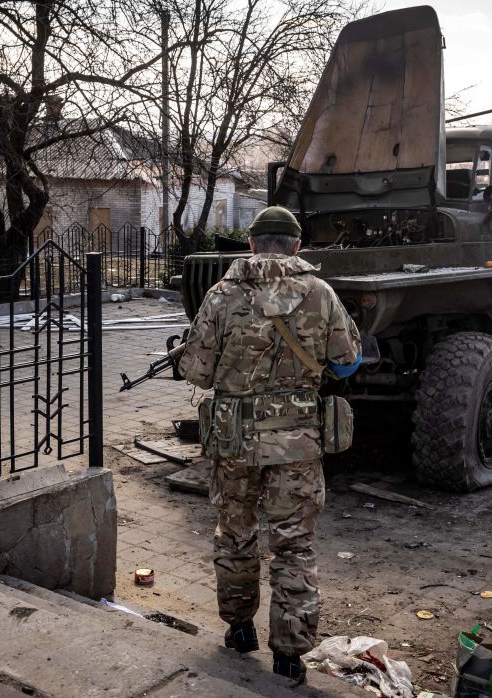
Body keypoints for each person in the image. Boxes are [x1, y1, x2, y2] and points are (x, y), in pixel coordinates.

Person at [176, 205, 362, 683]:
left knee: (235, 533)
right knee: (294, 546)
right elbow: (346, 362)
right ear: (298, 247)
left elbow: (195, 371)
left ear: (253, 244)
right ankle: (290, 656)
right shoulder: (321, 293)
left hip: (233, 439)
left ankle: (239, 630)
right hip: (297, 443)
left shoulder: (221, 296)